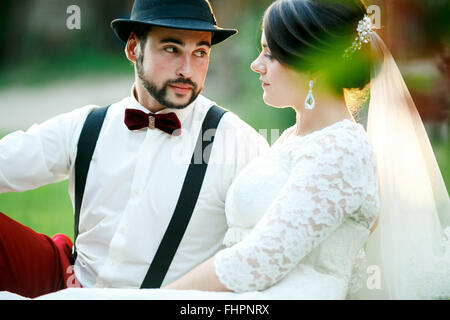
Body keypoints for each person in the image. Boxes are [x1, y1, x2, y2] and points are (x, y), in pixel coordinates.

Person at [0, 0, 269, 298]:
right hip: (69, 280)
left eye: (200, 52)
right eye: (171, 48)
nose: (187, 69)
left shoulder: (235, 142)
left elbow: (264, 248)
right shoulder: (87, 126)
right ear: (133, 49)